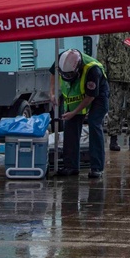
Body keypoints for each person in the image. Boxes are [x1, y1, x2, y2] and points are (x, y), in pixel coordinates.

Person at [49, 49, 109, 178]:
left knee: (94, 123)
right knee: (70, 126)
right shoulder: (62, 59)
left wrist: (74, 112)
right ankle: (70, 166)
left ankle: (96, 168)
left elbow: (89, 97)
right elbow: (53, 73)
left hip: (97, 96)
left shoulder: (93, 70)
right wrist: (52, 93)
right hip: (77, 94)